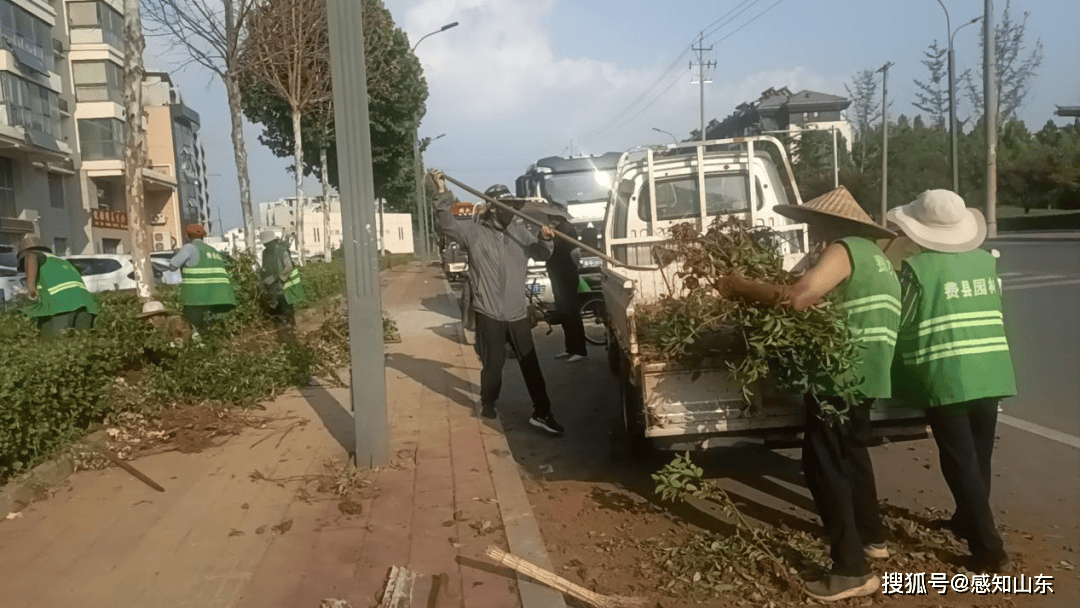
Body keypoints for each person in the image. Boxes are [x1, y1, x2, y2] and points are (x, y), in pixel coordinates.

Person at [717, 186, 900, 602]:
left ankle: (851, 569)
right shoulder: (878, 258)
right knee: (852, 453)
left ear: (832, 224)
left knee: (823, 464)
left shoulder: (844, 247)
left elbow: (797, 297)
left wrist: (739, 286)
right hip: (867, 372)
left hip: (841, 373)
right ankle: (873, 538)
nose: (811, 230)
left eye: (814, 222)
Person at [887, 189, 1015, 574]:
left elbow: (902, 318)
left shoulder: (916, 269)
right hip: (991, 369)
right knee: (979, 455)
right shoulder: (985, 263)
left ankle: (989, 550)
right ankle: (967, 519)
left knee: (959, 460)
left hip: (946, 373)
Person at [429, 171, 565, 436]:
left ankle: (543, 412)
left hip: (516, 312)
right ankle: (488, 401)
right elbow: (446, 225)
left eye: (514, 207)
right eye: (506, 207)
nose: (511, 212)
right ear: (491, 208)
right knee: (494, 364)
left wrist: (545, 240)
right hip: (489, 310)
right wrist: (442, 192)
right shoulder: (473, 232)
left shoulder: (520, 231)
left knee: (530, 364)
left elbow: (540, 254)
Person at [16, 234, 99, 338]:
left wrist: (31, 288)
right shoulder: (60, 261)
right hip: (87, 306)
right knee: (81, 346)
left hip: (61, 305)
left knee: (54, 346)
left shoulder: (33, 254)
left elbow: (31, 256)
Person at [169, 224, 238, 338]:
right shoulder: (213, 251)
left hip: (197, 298)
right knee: (212, 332)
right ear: (204, 236)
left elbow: (172, 266)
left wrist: (177, 253)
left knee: (195, 330)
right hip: (220, 298)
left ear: (187, 236)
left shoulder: (189, 248)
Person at [546, 215, 588, 362]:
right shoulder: (555, 229)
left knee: (572, 314)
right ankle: (570, 348)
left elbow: (575, 252)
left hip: (566, 277)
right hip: (558, 278)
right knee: (564, 314)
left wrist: (574, 267)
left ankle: (580, 350)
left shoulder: (566, 228)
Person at [259, 230, 304, 327]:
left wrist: (276, 277)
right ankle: (281, 334)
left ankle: (291, 333)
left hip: (285, 286)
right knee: (275, 314)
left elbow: (288, 267)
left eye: (267, 244)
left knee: (286, 312)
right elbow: (265, 267)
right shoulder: (265, 253)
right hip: (273, 288)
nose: (266, 246)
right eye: (264, 244)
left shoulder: (282, 250)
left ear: (272, 241)